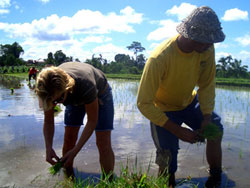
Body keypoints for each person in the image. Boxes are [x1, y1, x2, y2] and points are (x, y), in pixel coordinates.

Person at [137, 6, 225, 188]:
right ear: (192, 36)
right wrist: (176, 130)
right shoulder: (159, 58)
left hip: (189, 102)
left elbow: (207, 84)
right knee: (167, 155)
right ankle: (167, 184)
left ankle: (215, 177)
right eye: (206, 41)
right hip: (162, 109)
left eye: (211, 41)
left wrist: (207, 117)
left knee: (215, 129)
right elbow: (144, 103)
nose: (210, 45)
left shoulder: (206, 49)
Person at [35, 62, 115, 179]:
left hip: (100, 93)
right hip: (72, 93)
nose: (56, 104)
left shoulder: (86, 85)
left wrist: (76, 150)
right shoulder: (47, 89)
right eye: (53, 102)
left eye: (59, 99)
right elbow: (48, 121)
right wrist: (48, 147)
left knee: (103, 142)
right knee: (69, 138)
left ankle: (109, 180)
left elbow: (92, 121)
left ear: (66, 88)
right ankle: (68, 178)